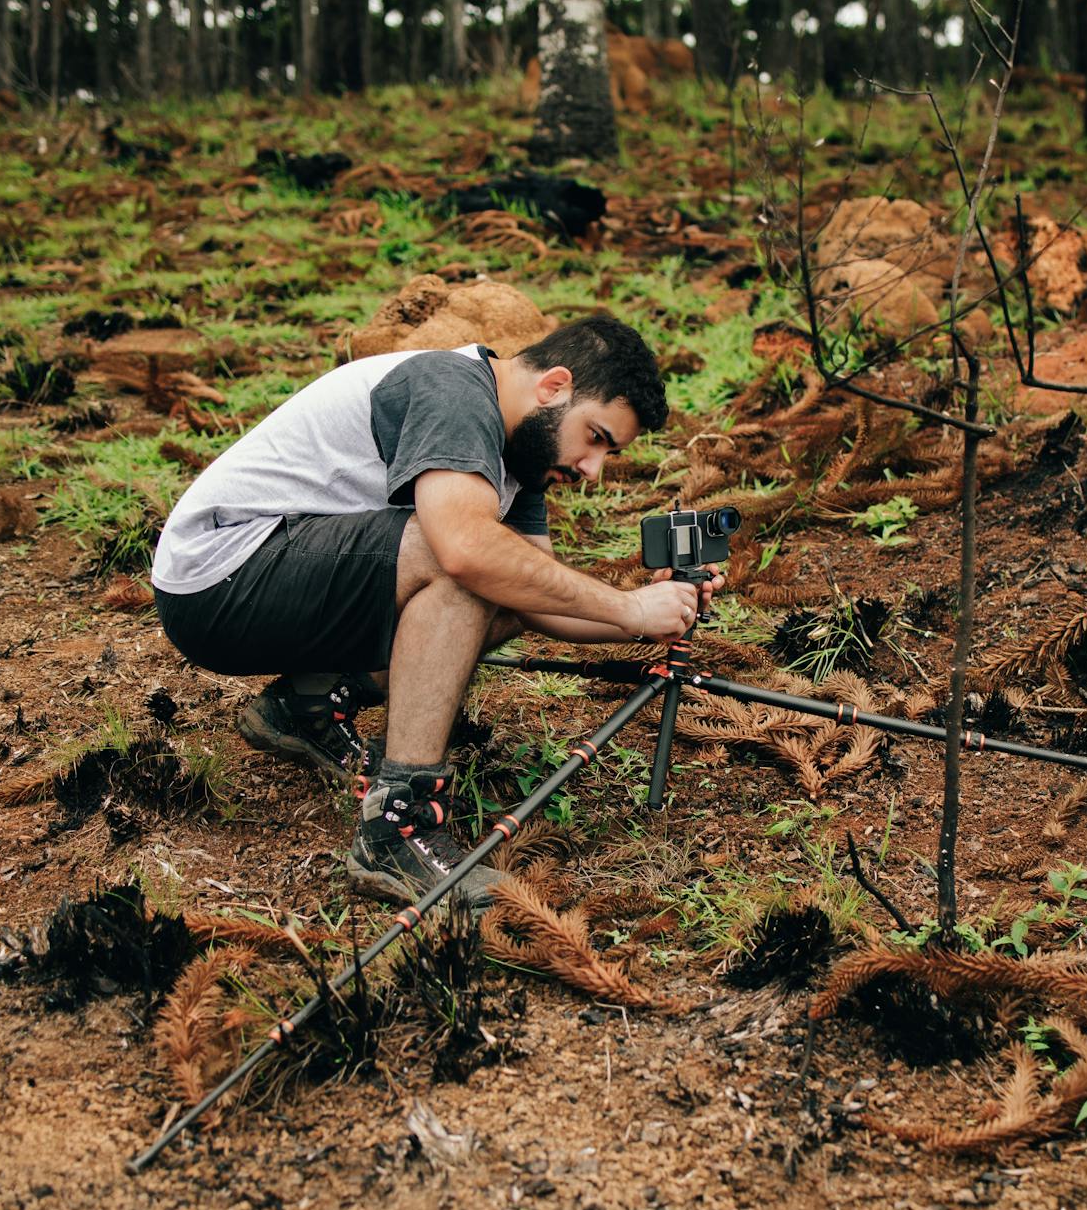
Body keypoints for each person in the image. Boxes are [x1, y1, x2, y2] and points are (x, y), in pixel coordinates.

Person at [150, 315, 721, 908]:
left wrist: (659, 611)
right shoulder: (454, 391)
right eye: (596, 437)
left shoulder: (518, 453)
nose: (592, 469)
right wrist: (626, 607)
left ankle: (307, 705)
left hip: (271, 584)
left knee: (505, 578)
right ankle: (395, 830)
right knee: (466, 566)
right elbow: (466, 552)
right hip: (219, 578)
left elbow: (539, 603)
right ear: (554, 386)